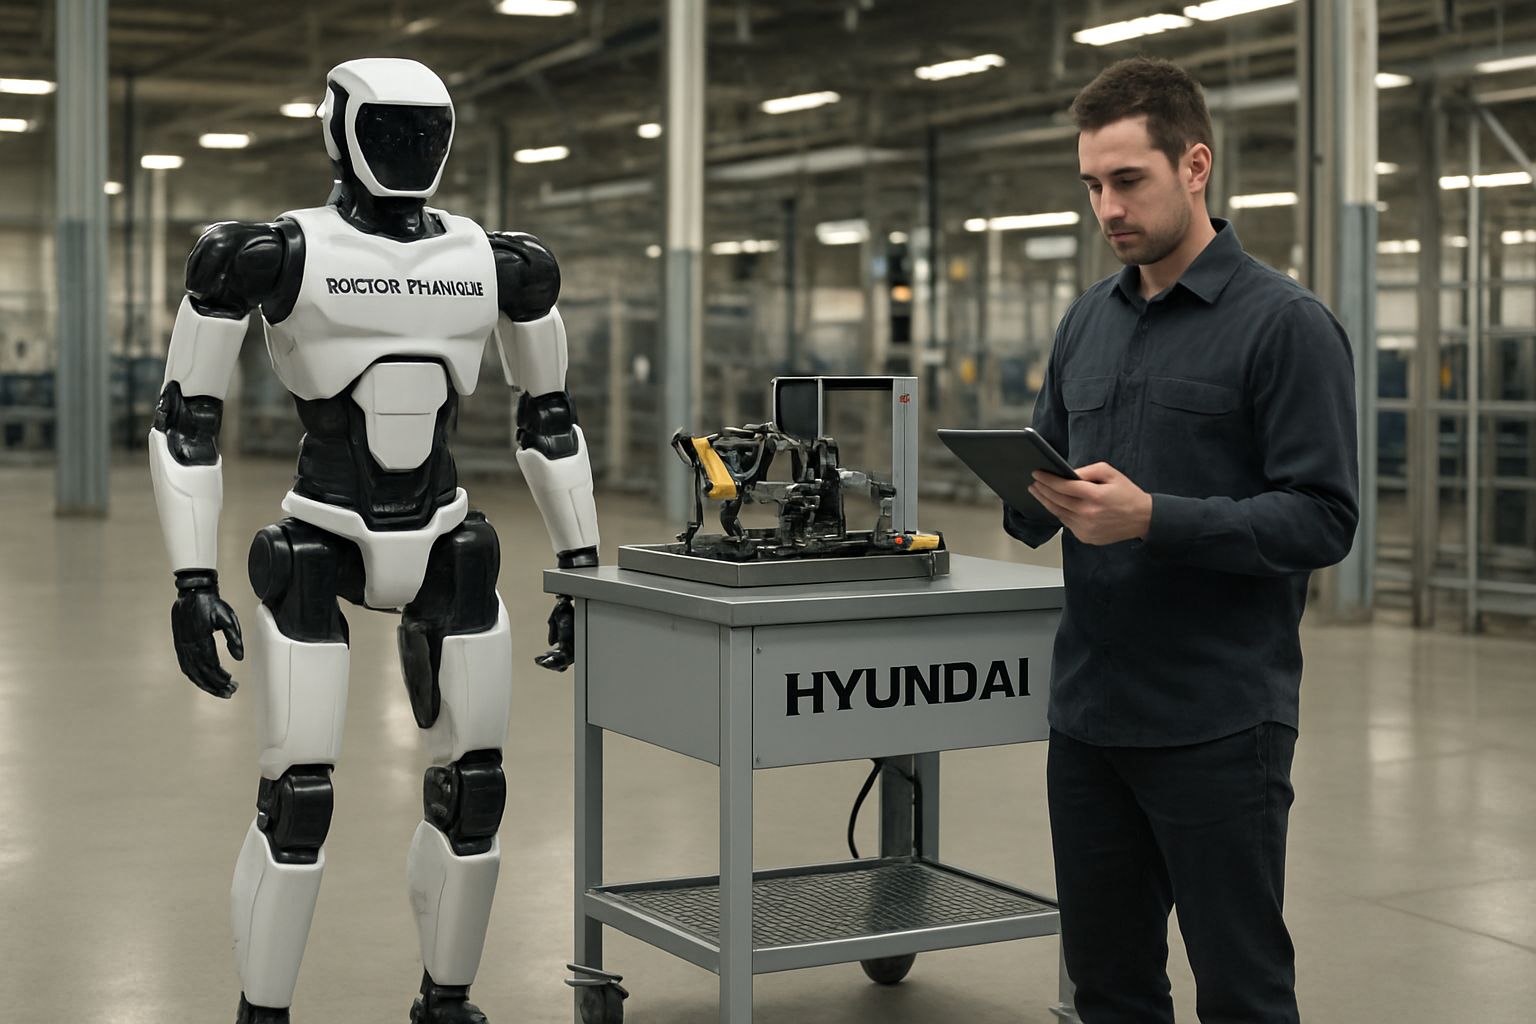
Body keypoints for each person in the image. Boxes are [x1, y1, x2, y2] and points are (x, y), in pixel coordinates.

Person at [146, 58, 599, 1024]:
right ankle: (261, 1013)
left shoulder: (499, 262)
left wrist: (584, 565)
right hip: (320, 540)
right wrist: (190, 580)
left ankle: (448, 1002)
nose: (406, 147)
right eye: (387, 127)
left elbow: (549, 418)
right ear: (340, 128)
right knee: (297, 798)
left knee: (476, 792)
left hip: (449, 540)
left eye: (422, 128)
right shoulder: (272, 255)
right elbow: (187, 417)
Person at [1003, 57, 1359, 1023]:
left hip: (1217, 721)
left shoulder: (1283, 327)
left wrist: (1157, 517)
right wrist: (1027, 492)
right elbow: (1051, 475)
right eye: (1091, 185)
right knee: (1109, 988)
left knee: (1241, 992)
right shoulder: (1087, 322)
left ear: (1195, 165)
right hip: (1088, 717)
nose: (1106, 207)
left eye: (1129, 181)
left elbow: (1324, 518)